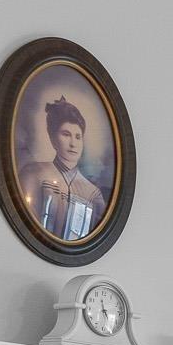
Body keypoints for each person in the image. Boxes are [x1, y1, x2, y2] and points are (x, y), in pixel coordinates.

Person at [20, 93, 108, 241]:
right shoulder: (33, 173)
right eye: (66, 134)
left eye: (78, 137)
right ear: (53, 138)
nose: (73, 143)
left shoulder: (93, 194)